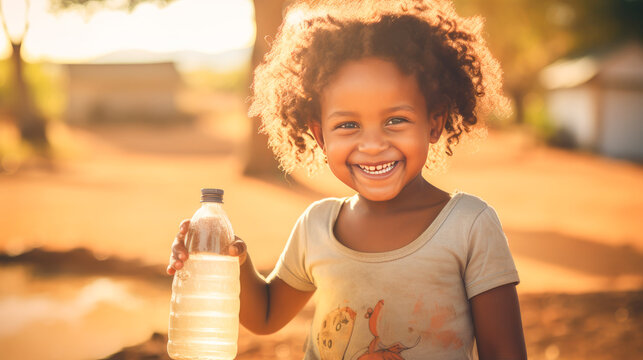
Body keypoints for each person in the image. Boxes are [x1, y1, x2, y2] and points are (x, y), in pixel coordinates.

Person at [167, 0, 527, 358]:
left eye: (395, 120)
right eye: (348, 125)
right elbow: (264, 315)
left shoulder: (469, 226)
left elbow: (504, 351)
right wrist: (228, 259)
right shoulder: (317, 226)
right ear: (321, 136)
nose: (372, 145)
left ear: (433, 123)